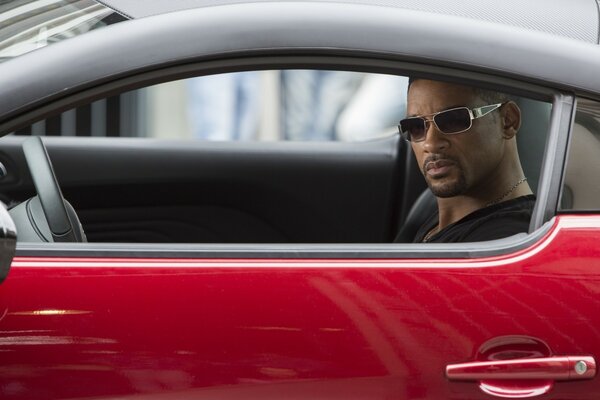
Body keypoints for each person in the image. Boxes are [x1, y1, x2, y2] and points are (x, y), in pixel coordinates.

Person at [398, 79, 535, 243]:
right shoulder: (428, 206)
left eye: (453, 120)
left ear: (507, 121)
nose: (430, 144)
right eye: (416, 126)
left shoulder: (502, 243)